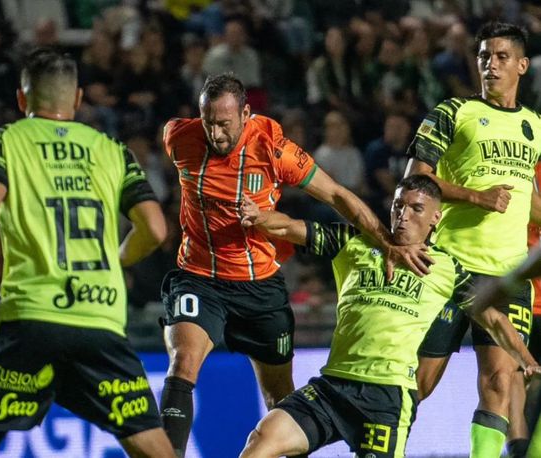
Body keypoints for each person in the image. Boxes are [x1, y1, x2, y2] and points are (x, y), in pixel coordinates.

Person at [159, 73, 433, 457]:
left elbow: (336, 194)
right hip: (199, 277)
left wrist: (385, 241)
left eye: (224, 124)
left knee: (280, 401)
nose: (216, 134)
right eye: (209, 123)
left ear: (246, 114)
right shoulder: (178, 137)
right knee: (183, 361)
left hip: (260, 286)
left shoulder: (274, 150)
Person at [0, 48, 175, 458]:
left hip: (33, 318)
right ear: (77, 98)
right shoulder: (112, 150)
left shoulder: (2, 142)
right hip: (100, 318)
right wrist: (116, 260)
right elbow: (156, 229)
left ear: (22, 99)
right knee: (151, 446)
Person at [237, 174, 541, 458]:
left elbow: (494, 320)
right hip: (332, 388)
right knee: (262, 438)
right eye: (398, 206)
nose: (404, 215)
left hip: (387, 400)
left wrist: (527, 361)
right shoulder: (355, 243)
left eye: (416, 208)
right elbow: (290, 227)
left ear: (435, 218)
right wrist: (258, 215)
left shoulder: (448, 269)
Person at [404, 22, 541, 458]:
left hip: (507, 276)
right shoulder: (453, 112)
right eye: (484, 56)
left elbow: (528, 199)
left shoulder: (534, 125)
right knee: (418, 383)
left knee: (500, 382)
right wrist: (476, 196)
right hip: (448, 268)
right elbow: (415, 181)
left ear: (522, 65)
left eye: (501, 57)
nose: (490, 65)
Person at [470, 244, 541, 458]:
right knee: (509, 378)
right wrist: (504, 285)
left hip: (512, 285)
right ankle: (518, 451)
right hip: (525, 297)